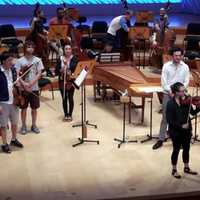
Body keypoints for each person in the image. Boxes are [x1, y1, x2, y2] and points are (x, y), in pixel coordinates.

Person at [152, 47, 190, 150]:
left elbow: (186, 81)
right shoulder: (166, 66)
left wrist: (180, 92)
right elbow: (164, 82)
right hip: (168, 94)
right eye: (176, 55)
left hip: (181, 95)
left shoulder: (185, 67)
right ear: (172, 56)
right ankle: (161, 139)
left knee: (180, 118)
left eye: (179, 55)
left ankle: (179, 140)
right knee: (165, 117)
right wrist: (171, 92)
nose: (178, 57)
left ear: (182, 55)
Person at [166, 82, 199, 178]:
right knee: (176, 150)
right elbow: (170, 120)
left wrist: (198, 107)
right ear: (176, 92)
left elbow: (192, 113)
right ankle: (174, 169)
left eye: (184, 90)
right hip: (175, 131)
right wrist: (181, 126)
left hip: (187, 130)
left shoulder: (187, 101)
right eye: (182, 91)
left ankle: (186, 167)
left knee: (186, 149)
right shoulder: (170, 104)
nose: (184, 92)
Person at [15, 40, 44, 134]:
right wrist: (24, 84)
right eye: (28, 46)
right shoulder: (20, 61)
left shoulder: (37, 60)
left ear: (34, 48)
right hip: (23, 89)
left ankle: (34, 125)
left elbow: (39, 74)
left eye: (32, 46)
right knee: (23, 108)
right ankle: (23, 126)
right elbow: (17, 75)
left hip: (34, 88)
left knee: (34, 108)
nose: (30, 48)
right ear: (25, 48)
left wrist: (31, 83)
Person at [0, 51, 23, 153]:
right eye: (9, 60)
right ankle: (4, 144)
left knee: (14, 123)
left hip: (14, 100)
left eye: (12, 60)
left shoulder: (13, 70)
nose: (12, 62)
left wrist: (18, 84)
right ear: (3, 61)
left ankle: (13, 139)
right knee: (3, 125)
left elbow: (16, 82)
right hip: (3, 102)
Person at [55, 44, 78, 122]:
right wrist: (61, 69)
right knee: (64, 98)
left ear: (71, 50)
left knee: (70, 98)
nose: (68, 50)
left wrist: (67, 66)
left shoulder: (74, 58)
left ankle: (70, 115)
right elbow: (56, 71)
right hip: (62, 80)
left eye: (69, 49)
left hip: (70, 81)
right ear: (64, 50)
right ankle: (65, 114)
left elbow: (75, 69)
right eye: (66, 49)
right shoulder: (60, 59)